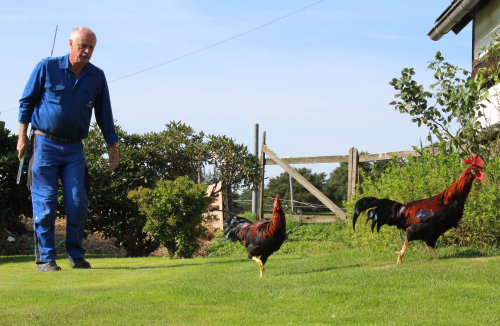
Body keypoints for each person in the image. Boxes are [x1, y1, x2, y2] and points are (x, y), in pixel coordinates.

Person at [17, 27, 119, 272]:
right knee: (46, 201)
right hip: (45, 143)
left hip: (75, 148)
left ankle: (76, 255)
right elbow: (26, 102)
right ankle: (46, 259)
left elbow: (104, 113)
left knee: (77, 201)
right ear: (70, 43)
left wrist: (112, 146)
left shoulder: (97, 76)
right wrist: (22, 136)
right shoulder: (46, 67)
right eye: (82, 46)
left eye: (91, 48)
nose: (86, 52)